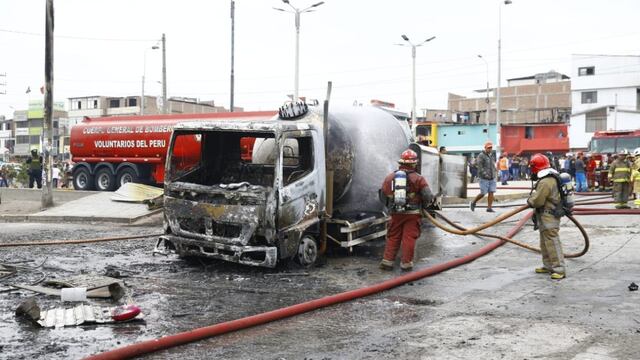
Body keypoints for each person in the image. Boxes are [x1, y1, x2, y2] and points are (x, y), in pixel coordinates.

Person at [380, 149, 433, 272]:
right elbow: (427, 196)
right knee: (409, 238)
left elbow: (383, 194)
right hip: (413, 214)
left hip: (396, 213)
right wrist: (423, 206)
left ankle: (387, 262)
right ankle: (406, 264)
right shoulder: (419, 178)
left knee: (393, 236)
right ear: (414, 163)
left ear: (401, 162)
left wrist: (390, 207)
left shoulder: (390, 177)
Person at [528, 153, 566, 280]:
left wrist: (530, 201)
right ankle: (548, 265)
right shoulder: (549, 178)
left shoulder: (545, 181)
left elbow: (538, 200)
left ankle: (559, 269)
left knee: (552, 241)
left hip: (549, 215)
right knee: (545, 242)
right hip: (545, 214)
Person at [470, 141, 496, 213]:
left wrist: (494, 173)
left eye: (491, 148)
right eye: (488, 148)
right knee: (483, 193)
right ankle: (473, 202)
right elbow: (480, 167)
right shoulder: (481, 156)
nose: (490, 149)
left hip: (492, 177)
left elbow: (493, 165)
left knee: (491, 192)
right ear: (485, 148)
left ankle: (489, 208)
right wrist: (485, 175)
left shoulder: (491, 155)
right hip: (484, 178)